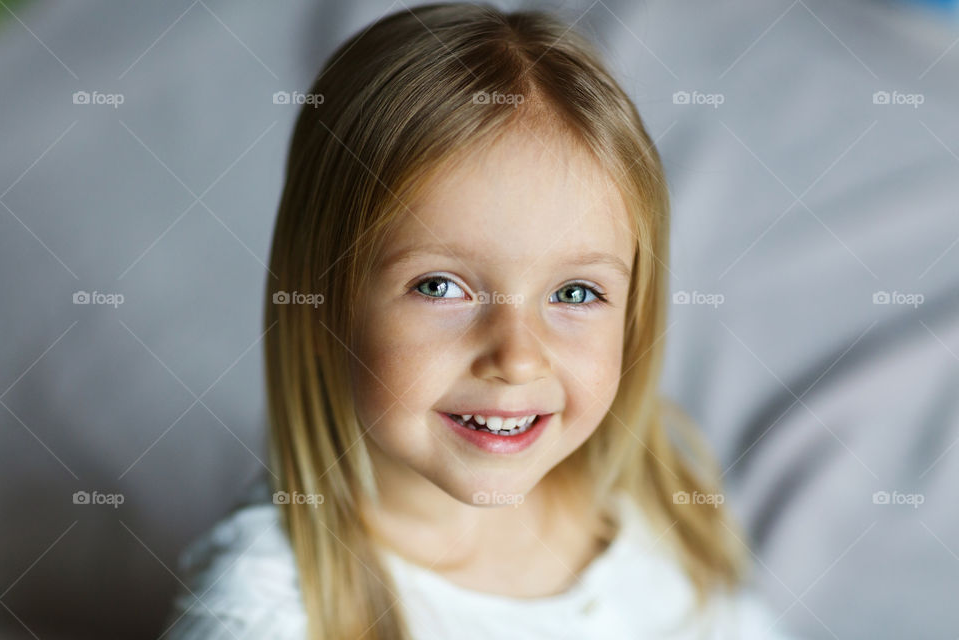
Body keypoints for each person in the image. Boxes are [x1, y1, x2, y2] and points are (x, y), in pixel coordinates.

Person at [163, 3, 799, 638]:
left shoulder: (650, 495)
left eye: (576, 293)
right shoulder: (262, 611)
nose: (518, 357)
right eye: (441, 287)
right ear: (321, 301)